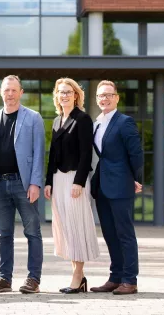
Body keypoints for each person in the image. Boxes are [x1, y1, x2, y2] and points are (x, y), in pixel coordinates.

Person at [0, 75, 46, 294]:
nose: (10, 94)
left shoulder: (33, 118)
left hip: (24, 184)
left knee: (32, 232)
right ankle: (4, 278)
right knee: (3, 234)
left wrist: (36, 182)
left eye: (14, 90)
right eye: (6, 90)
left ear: (21, 92)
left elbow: (39, 153)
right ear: (1, 92)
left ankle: (33, 278)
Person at [44, 78, 100, 294]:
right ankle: (79, 276)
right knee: (66, 227)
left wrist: (79, 181)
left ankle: (78, 276)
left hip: (75, 179)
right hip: (58, 180)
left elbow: (87, 154)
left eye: (68, 92)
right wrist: (48, 181)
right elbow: (53, 155)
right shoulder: (57, 121)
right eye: (61, 92)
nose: (64, 95)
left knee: (77, 226)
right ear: (56, 96)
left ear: (76, 95)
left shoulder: (83, 119)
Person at [90, 80, 143, 295]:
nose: (105, 98)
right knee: (110, 234)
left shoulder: (124, 122)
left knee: (125, 234)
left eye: (109, 95)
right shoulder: (98, 123)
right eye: (101, 95)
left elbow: (136, 153)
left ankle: (130, 280)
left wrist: (136, 178)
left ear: (117, 98)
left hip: (121, 185)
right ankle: (115, 277)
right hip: (102, 186)